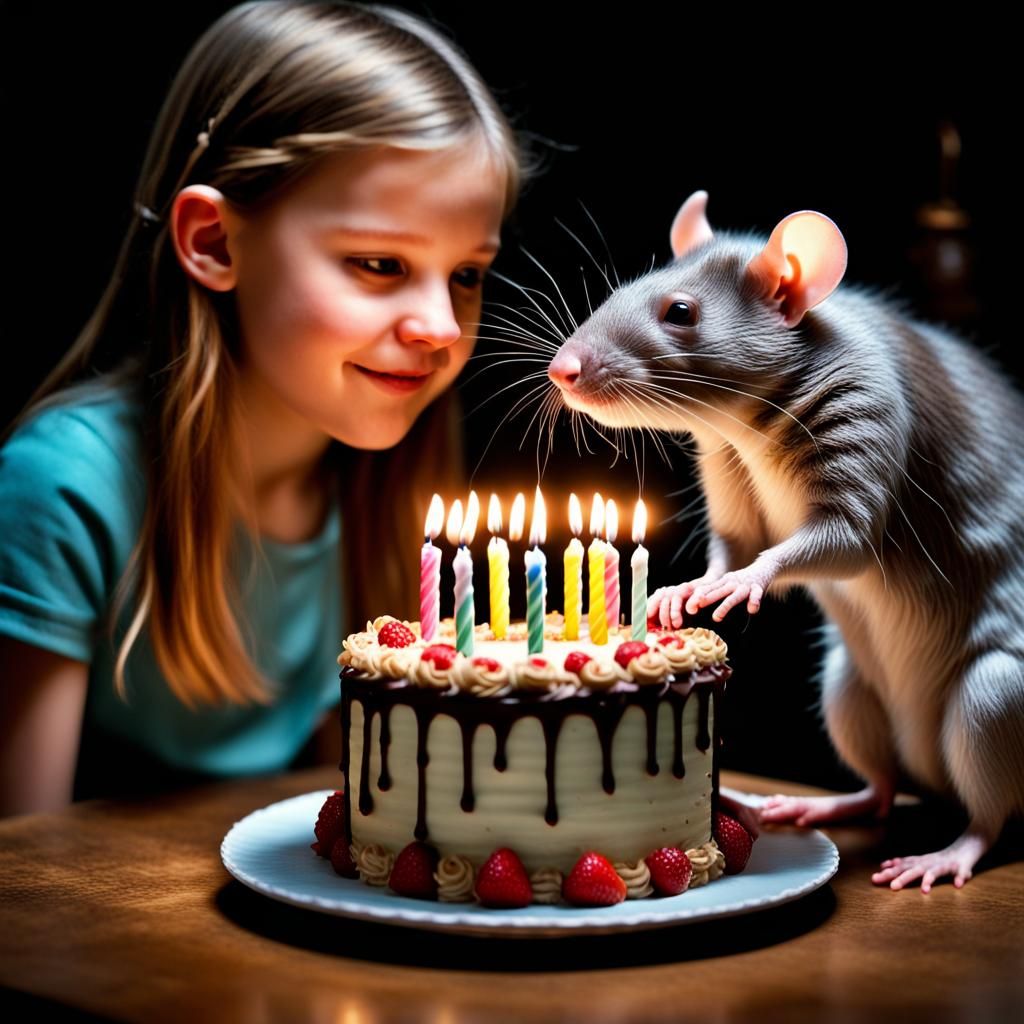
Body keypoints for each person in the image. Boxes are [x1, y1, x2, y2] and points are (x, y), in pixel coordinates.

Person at [0, 0, 543, 816]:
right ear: (215, 243)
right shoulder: (63, 491)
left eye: (466, 274)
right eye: (378, 262)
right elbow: (24, 876)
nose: (439, 325)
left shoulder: (378, 491)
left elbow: (353, 817)